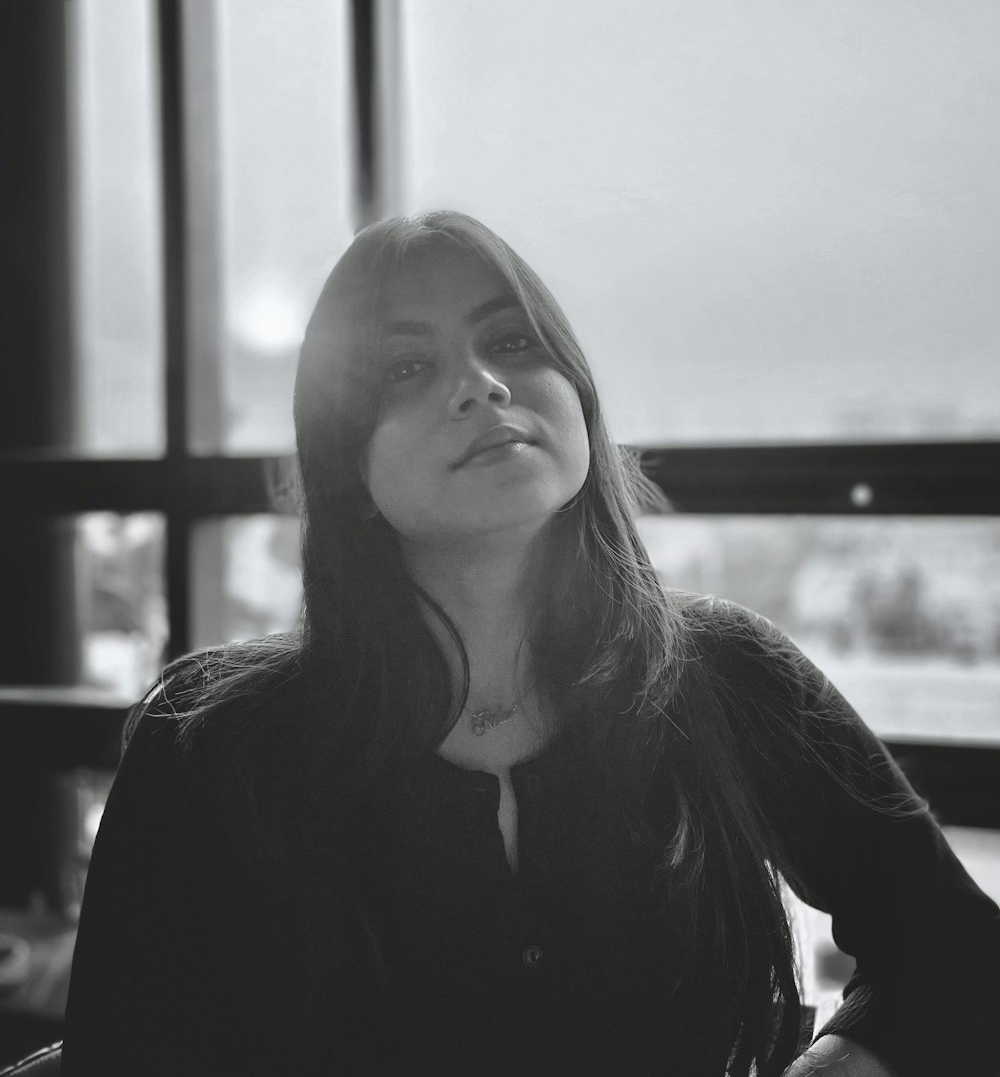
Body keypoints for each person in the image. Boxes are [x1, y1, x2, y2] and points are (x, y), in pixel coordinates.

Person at [61, 211, 998, 1076]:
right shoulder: (208, 743)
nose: (481, 385)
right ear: (344, 461)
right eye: (405, 369)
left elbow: (958, 954)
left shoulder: (725, 675)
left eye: (511, 342)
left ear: (578, 398)